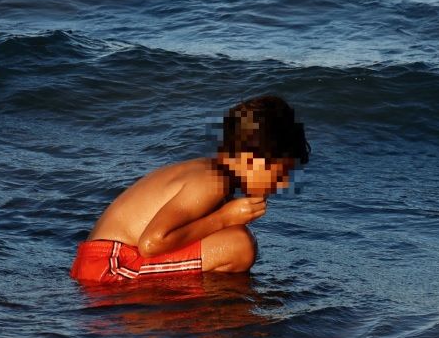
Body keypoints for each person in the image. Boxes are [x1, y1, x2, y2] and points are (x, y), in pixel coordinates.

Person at [71, 95, 310, 284]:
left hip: (105, 262)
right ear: (251, 158)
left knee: (233, 241)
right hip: (108, 269)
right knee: (239, 245)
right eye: (280, 174)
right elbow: (152, 243)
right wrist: (224, 218)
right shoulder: (212, 180)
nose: (283, 184)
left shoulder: (212, 174)